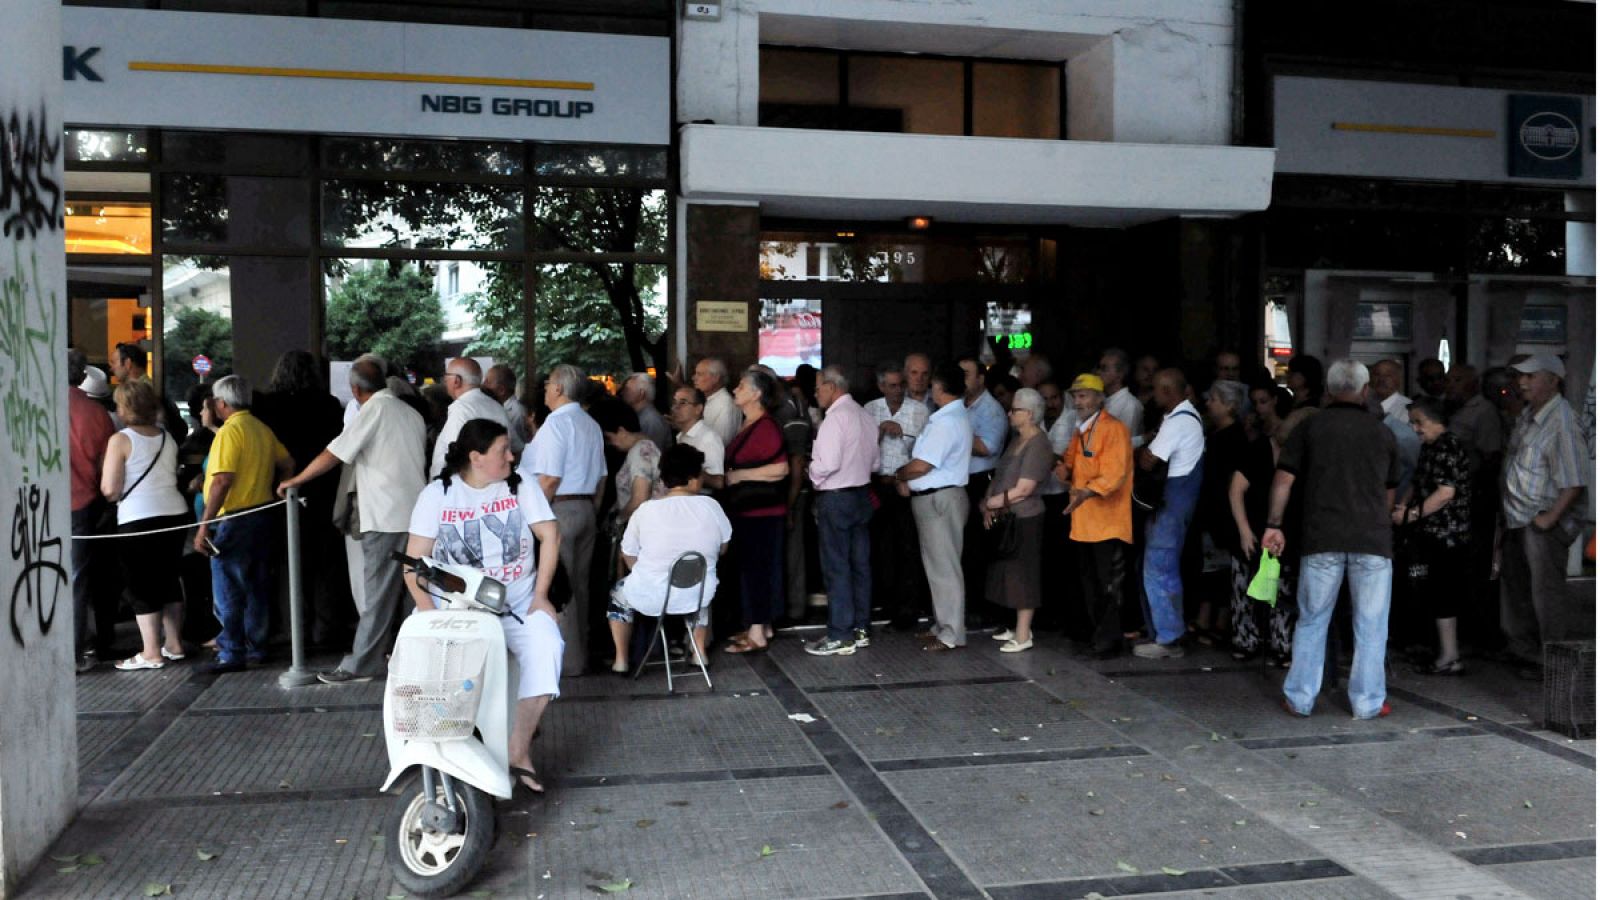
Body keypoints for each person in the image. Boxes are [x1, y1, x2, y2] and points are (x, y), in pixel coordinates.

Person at [406, 419, 562, 794]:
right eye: (502, 451)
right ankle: (438, 748)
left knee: (548, 646)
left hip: (516, 601)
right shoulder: (438, 494)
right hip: (455, 608)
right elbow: (414, 563)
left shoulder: (520, 483)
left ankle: (517, 750)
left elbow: (551, 535)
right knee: (423, 664)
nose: (512, 456)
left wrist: (540, 597)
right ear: (476, 457)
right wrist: (429, 613)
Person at [277, 355, 427, 684]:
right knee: (410, 593)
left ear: (355, 389)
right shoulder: (410, 412)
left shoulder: (373, 410)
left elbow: (335, 452)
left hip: (385, 516)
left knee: (377, 594)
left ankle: (363, 663)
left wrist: (296, 480)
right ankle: (408, 656)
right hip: (416, 516)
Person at [1263, 360, 1400, 720]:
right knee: (1371, 626)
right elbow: (1389, 492)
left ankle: (1300, 698)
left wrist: (1273, 524)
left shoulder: (1310, 428)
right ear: (1365, 390)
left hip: (1321, 538)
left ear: (1328, 388)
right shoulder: (1382, 432)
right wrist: (1380, 524)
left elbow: (1283, 480)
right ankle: (1368, 703)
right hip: (1371, 541)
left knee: (1312, 620)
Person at [193, 375, 294, 674]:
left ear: (222, 403)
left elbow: (222, 479)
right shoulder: (262, 429)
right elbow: (287, 463)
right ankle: (256, 646)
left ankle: (232, 652)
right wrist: (280, 486)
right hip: (263, 514)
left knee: (228, 587)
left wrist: (204, 524)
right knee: (257, 584)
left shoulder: (229, 432)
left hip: (235, 518)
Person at [1499, 353, 1589, 680]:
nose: (1522, 382)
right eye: (1521, 376)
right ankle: (1524, 652)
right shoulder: (1529, 415)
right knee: (1517, 589)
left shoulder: (1561, 422)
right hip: (1518, 517)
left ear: (1553, 381)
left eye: (1530, 376)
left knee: (1545, 594)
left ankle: (1554, 662)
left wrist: (1549, 520)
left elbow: (1574, 479)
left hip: (1540, 521)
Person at [254, 349, 347, 647]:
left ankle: (294, 631)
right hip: (323, 490)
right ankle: (326, 629)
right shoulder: (329, 405)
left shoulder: (266, 406)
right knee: (325, 564)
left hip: (282, 492)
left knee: (287, 563)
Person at [610, 445, 732, 672]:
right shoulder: (712, 507)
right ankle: (699, 653)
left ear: (664, 479)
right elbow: (723, 548)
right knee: (701, 587)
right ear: (695, 478)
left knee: (618, 594)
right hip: (696, 594)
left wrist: (645, 575)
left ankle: (621, 660)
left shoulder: (645, 511)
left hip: (651, 594)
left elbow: (627, 552)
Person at [519, 363, 606, 675]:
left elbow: (550, 479)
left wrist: (531, 517)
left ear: (558, 389)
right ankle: (578, 657)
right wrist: (591, 511)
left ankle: (567, 664)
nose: (544, 390)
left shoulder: (556, 425)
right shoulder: (591, 424)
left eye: (547, 385)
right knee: (580, 587)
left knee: (561, 588)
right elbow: (602, 478)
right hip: (584, 509)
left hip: (558, 511)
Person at [101, 379, 190, 671]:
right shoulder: (167, 437)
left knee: (140, 585)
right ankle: (174, 644)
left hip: (139, 519)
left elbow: (110, 488)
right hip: (175, 514)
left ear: (124, 408)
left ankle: (151, 652)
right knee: (168, 579)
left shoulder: (121, 440)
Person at [895, 363, 973, 651]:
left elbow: (922, 465)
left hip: (940, 499)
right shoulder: (951, 417)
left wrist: (900, 475)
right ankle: (942, 625)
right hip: (938, 498)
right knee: (938, 566)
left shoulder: (945, 422)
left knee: (945, 568)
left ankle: (951, 633)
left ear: (939, 388)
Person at [1393, 397, 1473, 675]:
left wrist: (1409, 514)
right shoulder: (1431, 447)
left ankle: (1449, 655)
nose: (1415, 428)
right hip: (1433, 531)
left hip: (1447, 533)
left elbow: (1445, 493)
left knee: (1443, 592)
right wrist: (1404, 506)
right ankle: (1444, 651)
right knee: (1436, 591)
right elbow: (1418, 481)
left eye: (1419, 422)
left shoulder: (1447, 447)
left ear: (1436, 420)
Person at [1056, 373, 1134, 658]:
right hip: (1084, 522)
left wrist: (1086, 491)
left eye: (1085, 395)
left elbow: (1114, 474)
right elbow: (1071, 464)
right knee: (1091, 585)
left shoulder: (1114, 429)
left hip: (1108, 522)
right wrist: (1063, 471)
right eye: (1076, 396)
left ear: (1100, 398)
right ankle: (1098, 637)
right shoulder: (1081, 430)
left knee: (1108, 586)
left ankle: (1109, 641)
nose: (1079, 401)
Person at [805, 366, 879, 657]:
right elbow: (875, 463)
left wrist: (813, 473)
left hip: (836, 498)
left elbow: (827, 463)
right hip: (862, 495)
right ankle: (860, 628)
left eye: (818, 387)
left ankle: (840, 634)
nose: (815, 392)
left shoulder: (835, 419)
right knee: (860, 565)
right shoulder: (864, 415)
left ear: (832, 387)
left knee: (837, 567)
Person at [1134, 369, 1205, 659]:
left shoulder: (1178, 423)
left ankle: (1167, 637)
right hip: (1178, 502)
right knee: (1163, 568)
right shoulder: (1190, 418)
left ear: (1165, 391)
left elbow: (1149, 461)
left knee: (1158, 568)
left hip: (1172, 506)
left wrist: (1143, 451)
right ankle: (1167, 631)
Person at [720, 369, 790, 653]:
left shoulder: (765, 427)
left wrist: (741, 477)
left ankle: (758, 631)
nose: (735, 390)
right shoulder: (748, 424)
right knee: (756, 568)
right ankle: (762, 625)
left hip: (762, 513)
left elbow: (781, 468)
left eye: (740, 385)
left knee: (757, 570)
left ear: (756, 394)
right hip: (750, 512)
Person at [979, 387, 1053, 653]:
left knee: (1024, 575)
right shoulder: (1016, 439)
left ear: (1030, 414)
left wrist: (992, 503)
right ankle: (1012, 626)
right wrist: (989, 504)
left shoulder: (1039, 444)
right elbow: (999, 477)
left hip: (1026, 517)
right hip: (1007, 516)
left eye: (1015, 410)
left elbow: (1024, 489)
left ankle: (1023, 634)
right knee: (1006, 572)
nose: (1009, 413)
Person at [1228, 384, 1295, 666]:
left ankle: (1282, 646)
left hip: (1285, 532)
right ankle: (1247, 641)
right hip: (1254, 529)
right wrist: (1244, 530)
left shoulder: (1299, 454)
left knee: (1281, 591)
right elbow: (1235, 489)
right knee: (1246, 588)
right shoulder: (1258, 450)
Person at [865, 362, 930, 631]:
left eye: (900, 385)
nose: (897, 390)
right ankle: (885, 603)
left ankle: (907, 611)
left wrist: (902, 436)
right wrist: (880, 431)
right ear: (881, 387)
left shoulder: (919, 411)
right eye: (891, 385)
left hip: (904, 486)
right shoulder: (869, 409)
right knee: (880, 548)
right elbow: (862, 449)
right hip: (877, 485)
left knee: (907, 549)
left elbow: (926, 451)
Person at [68, 348, 117, 672]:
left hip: (29, 505)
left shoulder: (28, 407)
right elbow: (108, 472)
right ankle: (72, 653)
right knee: (75, 581)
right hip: (81, 507)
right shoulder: (97, 415)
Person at [1196, 380, 1251, 647]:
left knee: (1220, 568)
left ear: (1230, 405)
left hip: (1223, 514)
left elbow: (1227, 482)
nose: (1209, 403)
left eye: (1214, 399)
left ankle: (1219, 620)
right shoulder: (1217, 434)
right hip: (1213, 512)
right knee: (1212, 567)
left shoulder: (1234, 438)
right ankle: (1210, 618)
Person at [960, 357, 1009, 623]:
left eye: (966, 374)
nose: (962, 379)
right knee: (964, 547)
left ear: (981, 378)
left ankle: (982, 609)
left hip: (983, 481)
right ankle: (968, 605)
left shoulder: (991, 410)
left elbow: (986, 447)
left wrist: (953, 437)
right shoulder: (960, 406)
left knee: (979, 547)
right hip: (962, 480)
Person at [431, 357, 520, 479]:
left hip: (460, 489)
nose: (445, 380)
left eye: (447, 376)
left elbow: (454, 456)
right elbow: (516, 447)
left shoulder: (461, 409)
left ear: (457, 380)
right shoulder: (496, 406)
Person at [110, 341, 186, 443]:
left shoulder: (142, 392)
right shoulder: (151, 387)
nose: (112, 368)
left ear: (128, 363)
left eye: (114, 362)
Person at [671, 385, 726, 490]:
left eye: (683, 403)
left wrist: (691, 469)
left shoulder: (709, 438)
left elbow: (718, 482)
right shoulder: (681, 436)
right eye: (674, 402)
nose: (675, 407)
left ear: (698, 409)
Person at [1099, 348, 1145, 446]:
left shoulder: (1130, 405)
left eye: (1104, 368)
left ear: (1119, 375)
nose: (1099, 373)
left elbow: (1127, 445)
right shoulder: (1102, 399)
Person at [693, 356, 740, 446]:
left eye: (699, 374)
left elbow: (720, 444)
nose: (694, 378)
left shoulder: (726, 405)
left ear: (715, 378)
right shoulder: (712, 399)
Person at [621, 372, 673, 452]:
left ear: (641, 394)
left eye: (627, 389)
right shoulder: (643, 417)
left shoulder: (651, 421)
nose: (623, 393)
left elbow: (650, 455)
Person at [485, 363, 532, 445]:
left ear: (501, 390)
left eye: (487, 382)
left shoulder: (517, 411)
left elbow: (517, 444)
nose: (483, 385)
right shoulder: (497, 406)